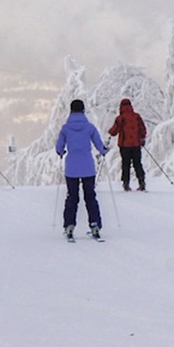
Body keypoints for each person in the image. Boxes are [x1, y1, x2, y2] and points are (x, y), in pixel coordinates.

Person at [55, 99, 108, 240]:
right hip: (88, 168)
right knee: (90, 197)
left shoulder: (65, 128)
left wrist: (61, 152)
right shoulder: (90, 127)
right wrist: (104, 150)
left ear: (71, 111)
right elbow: (99, 145)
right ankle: (95, 225)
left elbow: (59, 147)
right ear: (83, 110)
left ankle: (69, 226)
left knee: (72, 197)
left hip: (71, 168)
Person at [108, 98, 148, 191]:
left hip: (124, 145)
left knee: (126, 164)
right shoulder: (136, 116)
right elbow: (142, 129)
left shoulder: (120, 118)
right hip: (136, 144)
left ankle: (126, 183)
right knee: (137, 163)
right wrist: (142, 139)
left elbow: (114, 131)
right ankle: (141, 181)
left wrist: (110, 132)